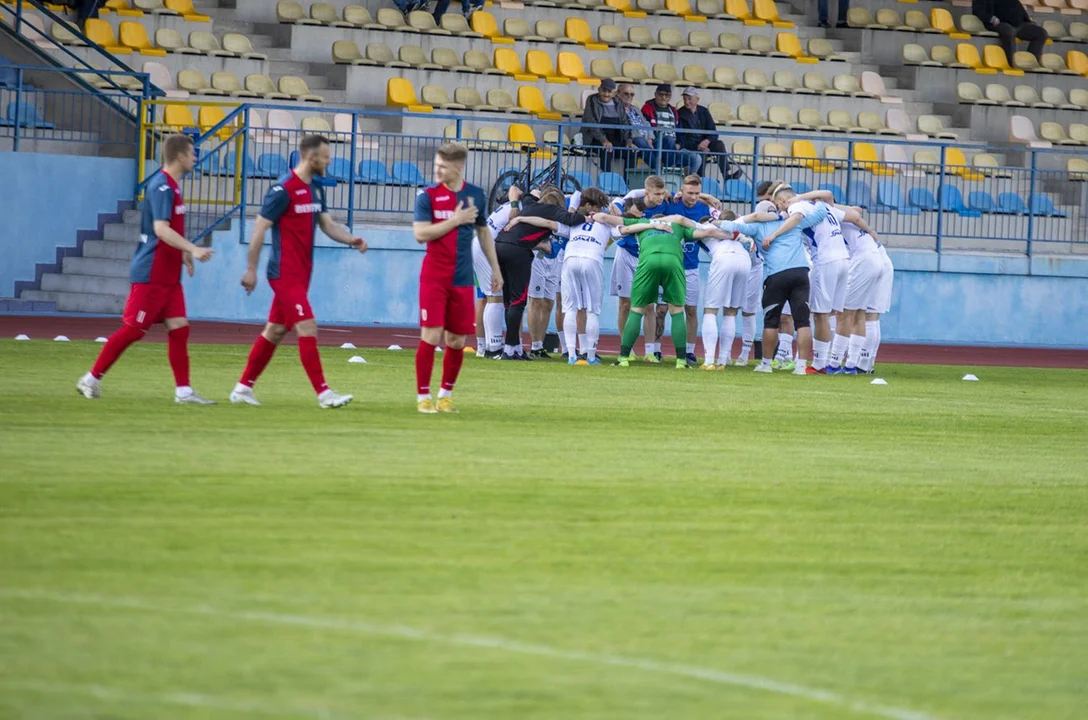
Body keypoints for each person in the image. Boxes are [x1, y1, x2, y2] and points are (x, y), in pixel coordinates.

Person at [231, 135, 367, 409]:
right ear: (310, 157)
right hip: (283, 273)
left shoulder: (316, 188)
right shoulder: (283, 189)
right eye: (325, 156)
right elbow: (259, 228)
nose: (329, 161)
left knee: (276, 330)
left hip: (302, 274)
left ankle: (243, 388)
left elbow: (326, 224)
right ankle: (324, 394)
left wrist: (351, 239)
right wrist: (251, 269)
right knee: (307, 326)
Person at [77, 134, 215, 404]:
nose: (195, 158)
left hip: (168, 275)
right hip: (151, 272)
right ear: (179, 156)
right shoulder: (161, 186)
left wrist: (184, 252)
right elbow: (160, 229)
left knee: (179, 328)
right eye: (192, 153)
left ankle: (184, 391)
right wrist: (194, 248)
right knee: (133, 330)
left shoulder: (173, 186)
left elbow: (171, 228)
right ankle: (90, 378)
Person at [411, 142, 499, 413]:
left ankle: (445, 396)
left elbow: (483, 232)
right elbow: (421, 234)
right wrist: (456, 220)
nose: (436, 170)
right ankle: (423, 397)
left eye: (442, 166)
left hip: (462, 278)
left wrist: (495, 269)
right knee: (431, 335)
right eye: (436, 165)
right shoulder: (427, 197)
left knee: (457, 341)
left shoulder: (475, 195)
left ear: (458, 167)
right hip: (434, 277)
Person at [718, 191, 831, 375]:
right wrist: (814, 199)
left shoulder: (756, 227)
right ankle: (801, 366)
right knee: (802, 322)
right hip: (801, 273)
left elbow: (732, 227)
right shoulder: (794, 223)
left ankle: (766, 364)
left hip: (777, 276)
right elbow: (820, 213)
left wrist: (715, 223)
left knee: (771, 322)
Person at [598, 203, 717, 369]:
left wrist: (591, 216)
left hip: (648, 261)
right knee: (677, 311)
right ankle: (681, 361)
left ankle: (623, 358)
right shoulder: (678, 226)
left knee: (637, 309)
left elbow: (604, 218)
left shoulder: (642, 224)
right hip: (673, 262)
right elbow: (708, 232)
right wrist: (731, 235)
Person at [506, 189, 613, 366]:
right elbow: (626, 225)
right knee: (592, 309)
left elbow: (547, 222)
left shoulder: (573, 222)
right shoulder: (606, 222)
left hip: (570, 260)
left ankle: (571, 354)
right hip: (592, 260)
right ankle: (591, 356)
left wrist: (520, 218)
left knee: (569, 308)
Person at [494, 188, 585, 360]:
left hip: (499, 245)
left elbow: (523, 191)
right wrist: (584, 215)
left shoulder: (529, 204)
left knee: (508, 301)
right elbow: (574, 219)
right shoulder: (555, 211)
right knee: (519, 301)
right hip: (517, 251)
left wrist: (518, 206)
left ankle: (515, 348)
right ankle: (509, 349)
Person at [610, 176, 670, 362]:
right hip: (625, 256)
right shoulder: (627, 203)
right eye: (657, 194)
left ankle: (650, 352)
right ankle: (626, 349)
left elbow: (684, 194)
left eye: (662, 193)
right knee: (625, 304)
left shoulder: (664, 205)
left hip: (646, 258)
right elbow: (613, 207)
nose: (661, 197)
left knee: (649, 305)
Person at [697, 211, 752, 369]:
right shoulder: (737, 229)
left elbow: (691, 227)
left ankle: (708, 361)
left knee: (710, 310)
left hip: (723, 258)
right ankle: (723, 360)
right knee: (731, 311)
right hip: (744, 260)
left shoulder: (705, 227)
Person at [840, 213, 883, 374]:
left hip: (868, 262)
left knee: (853, 313)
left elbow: (855, 212)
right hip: (877, 260)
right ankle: (863, 364)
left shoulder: (834, 213)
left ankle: (848, 363)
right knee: (864, 313)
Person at [677, 87, 739, 180]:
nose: (686, 101)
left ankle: (726, 175)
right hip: (690, 146)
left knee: (719, 144)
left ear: (697, 99)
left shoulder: (704, 111)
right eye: (685, 99)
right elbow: (681, 138)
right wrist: (697, 146)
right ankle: (702, 179)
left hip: (704, 143)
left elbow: (713, 131)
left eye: (689, 98)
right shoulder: (680, 113)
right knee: (701, 152)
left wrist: (707, 140)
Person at [640, 84, 701, 175]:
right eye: (661, 94)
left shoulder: (673, 110)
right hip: (657, 145)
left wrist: (679, 144)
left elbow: (679, 131)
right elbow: (645, 127)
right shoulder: (647, 108)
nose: (664, 97)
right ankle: (669, 172)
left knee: (696, 158)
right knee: (668, 139)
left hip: (674, 148)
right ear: (655, 94)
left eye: (667, 95)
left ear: (670, 97)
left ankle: (689, 183)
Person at [972, 0, 1047, 65]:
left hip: (1019, 24)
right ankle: (1012, 62)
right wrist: (991, 19)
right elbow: (977, 10)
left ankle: (1031, 61)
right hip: (998, 24)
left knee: (1041, 33)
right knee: (1009, 31)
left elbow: (1019, 8)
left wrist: (1028, 21)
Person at [581, 78, 631, 174]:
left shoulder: (618, 102)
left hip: (615, 139)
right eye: (604, 91)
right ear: (599, 90)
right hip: (594, 139)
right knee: (606, 150)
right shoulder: (592, 99)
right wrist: (604, 140)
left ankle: (627, 184)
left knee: (632, 152)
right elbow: (592, 123)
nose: (606, 94)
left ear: (614, 93)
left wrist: (629, 141)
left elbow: (625, 121)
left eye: (609, 92)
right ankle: (606, 184)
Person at [618, 83, 656, 169]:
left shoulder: (635, 109)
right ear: (618, 93)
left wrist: (650, 138)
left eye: (632, 94)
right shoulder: (616, 108)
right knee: (640, 141)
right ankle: (658, 170)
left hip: (645, 139)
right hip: (630, 139)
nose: (629, 96)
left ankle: (667, 169)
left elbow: (646, 123)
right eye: (626, 93)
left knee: (664, 142)